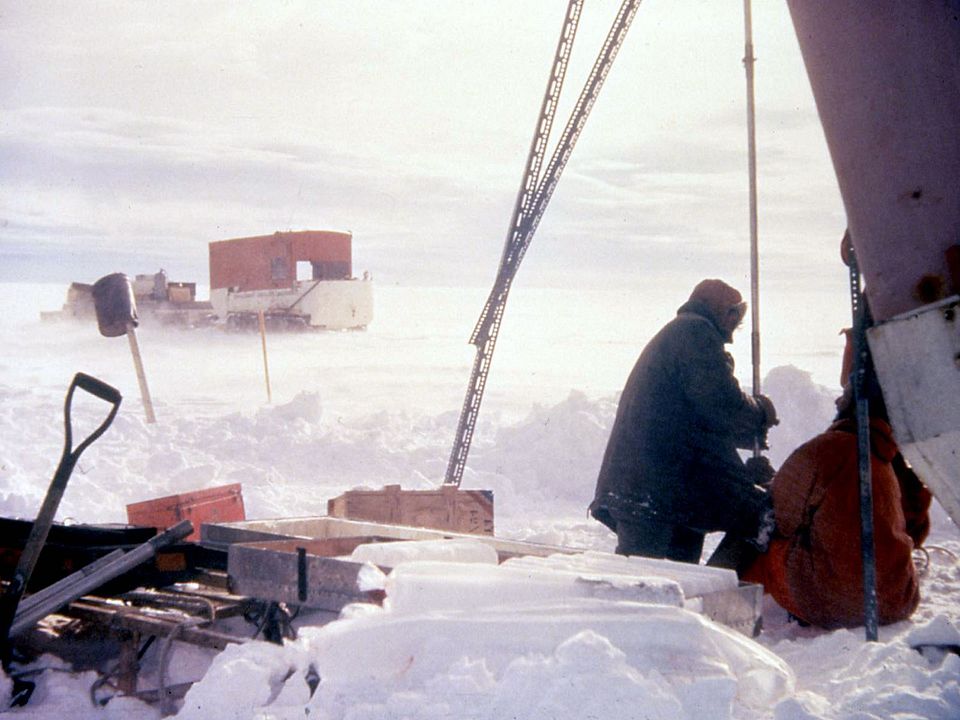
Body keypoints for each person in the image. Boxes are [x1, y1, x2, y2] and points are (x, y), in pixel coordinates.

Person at [588, 279, 779, 563]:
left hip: (662, 491)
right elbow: (723, 405)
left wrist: (743, 473)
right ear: (727, 312)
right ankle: (719, 595)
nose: (733, 333)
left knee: (672, 584)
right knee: (644, 590)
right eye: (735, 321)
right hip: (656, 491)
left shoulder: (680, 336)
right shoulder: (695, 333)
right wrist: (759, 413)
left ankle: (705, 598)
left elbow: (699, 423)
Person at [740, 346, 932, 629]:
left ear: (852, 404)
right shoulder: (894, 460)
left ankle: (737, 604)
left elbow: (781, 514)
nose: (838, 398)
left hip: (836, 604)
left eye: (845, 395)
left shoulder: (826, 449)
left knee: (761, 541)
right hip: (897, 601)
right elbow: (916, 530)